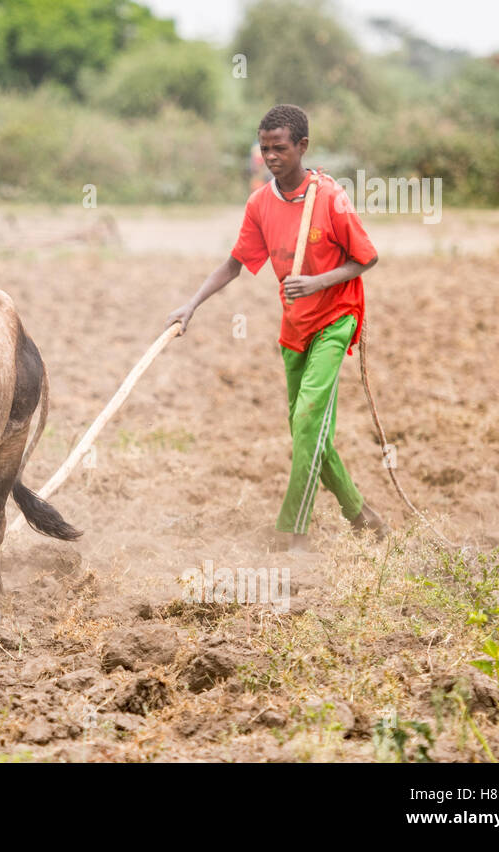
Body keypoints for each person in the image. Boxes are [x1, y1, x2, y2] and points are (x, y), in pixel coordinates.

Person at [166, 104, 389, 551]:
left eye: (280, 148)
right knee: (309, 434)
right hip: (294, 329)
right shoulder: (261, 204)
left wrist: (318, 281)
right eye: (264, 149)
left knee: (307, 419)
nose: (271, 157)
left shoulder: (330, 197)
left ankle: (294, 531)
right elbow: (234, 264)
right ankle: (360, 513)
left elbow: (366, 257)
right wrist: (190, 305)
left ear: (302, 147)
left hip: (336, 320)